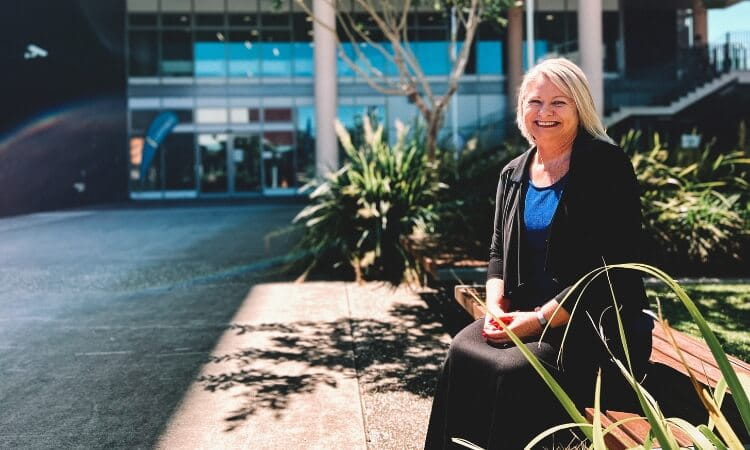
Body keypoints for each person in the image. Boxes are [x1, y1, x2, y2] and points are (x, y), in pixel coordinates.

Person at [424, 58, 653, 449]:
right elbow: (497, 251)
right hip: (529, 313)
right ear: (522, 109)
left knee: (513, 369)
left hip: (596, 325)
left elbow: (609, 269)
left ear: (580, 107)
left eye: (559, 103)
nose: (544, 113)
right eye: (535, 102)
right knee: (463, 348)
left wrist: (536, 320)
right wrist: (496, 308)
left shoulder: (606, 165)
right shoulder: (514, 172)